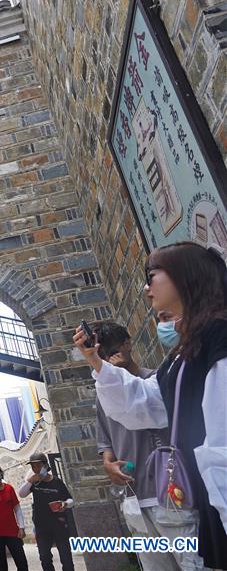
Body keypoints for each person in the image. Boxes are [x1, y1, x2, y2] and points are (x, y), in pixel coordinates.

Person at [75, 241, 227, 569]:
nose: (146, 288)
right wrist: (98, 364)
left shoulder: (219, 337)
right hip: (196, 497)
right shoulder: (182, 355)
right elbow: (145, 404)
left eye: (152, 275)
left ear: (186, 276)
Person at [91, 320, 198, 570]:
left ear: (127, 344)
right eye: (103, 356)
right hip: (134, 500)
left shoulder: (157, 381)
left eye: (113, 351)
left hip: (170, 494)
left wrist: (120, 377)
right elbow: (105, 440)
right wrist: (108, 464)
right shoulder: (103, 394)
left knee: (193, 564)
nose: (110, 360)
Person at [18, 453, 75, 571]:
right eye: (33, 466)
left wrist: (65, 504)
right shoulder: (34, 483)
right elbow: (22, 494)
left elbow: (71, 500)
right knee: (45, 557)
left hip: (58, 523)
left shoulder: (57, 482)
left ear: (46, 465)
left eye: (38, 465)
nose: (36, 469)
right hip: (41, 525)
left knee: (66, 556)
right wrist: (30, 480)